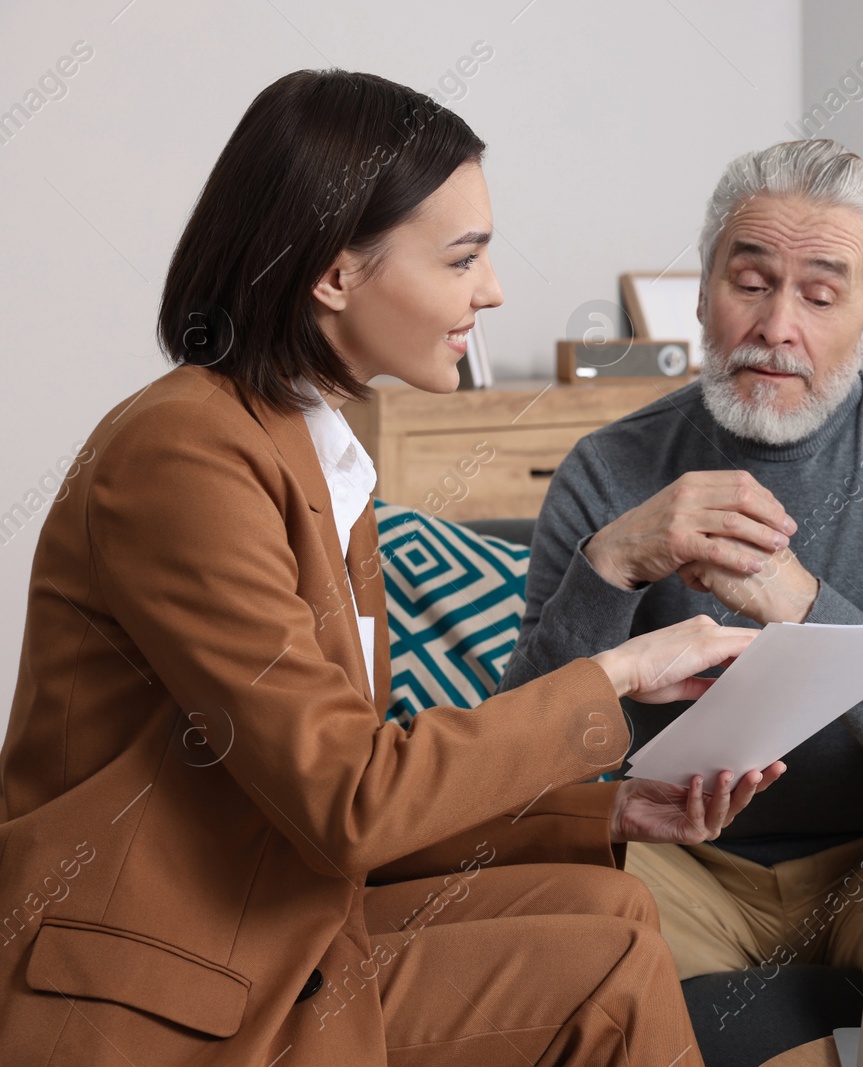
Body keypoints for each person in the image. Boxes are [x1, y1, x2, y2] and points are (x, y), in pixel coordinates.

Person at [0, 69, 782, 1067]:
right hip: (158, 988)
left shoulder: (310, 448)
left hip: (266, 921)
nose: (491, 290)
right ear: (334, 274)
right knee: (603, 968)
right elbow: (347, 800)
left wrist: (615, 806)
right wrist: (619, 674)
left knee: (610, 899)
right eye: (463, 259)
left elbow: (336, 795)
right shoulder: (183, 455)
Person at [500, 139, 863, 985]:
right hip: (674, 862)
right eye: (752, 283)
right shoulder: (608, 469)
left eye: (822, 295)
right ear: (703, 294)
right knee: (548, 890)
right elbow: (515, 770)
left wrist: (803, 606)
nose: (776, 328)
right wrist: (610, 564)